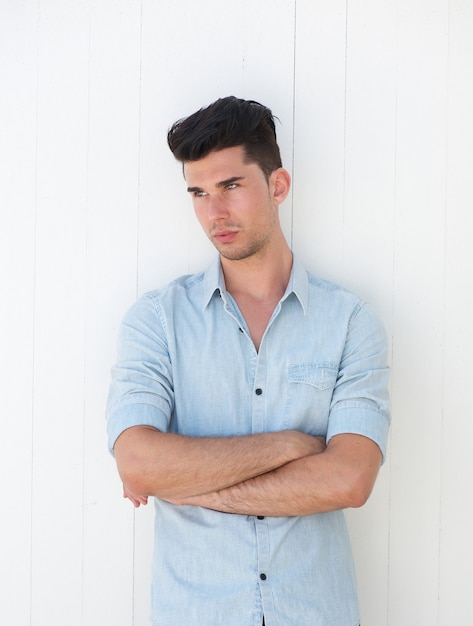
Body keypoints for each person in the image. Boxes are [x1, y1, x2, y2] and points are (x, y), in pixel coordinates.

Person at [106, 96, 390, 626]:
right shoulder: (157, 322)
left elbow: (349, 480)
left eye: (231, 186)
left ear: (277, 186)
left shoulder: (349, 321)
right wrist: (291, 447)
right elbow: (138, 464)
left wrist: (186, 478)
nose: (214, 213)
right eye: (198, 193)